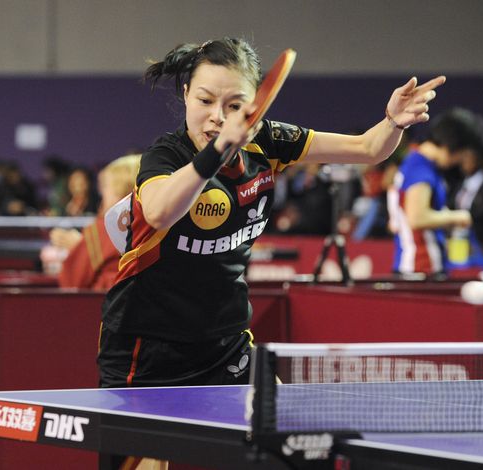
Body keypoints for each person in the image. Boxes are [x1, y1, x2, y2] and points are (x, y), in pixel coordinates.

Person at [98, 37, 445, 390]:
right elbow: (158, 212)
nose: (218, 117)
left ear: (256, 109)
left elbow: (367, 148)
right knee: (152, 448)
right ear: (186, 94)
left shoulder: (268, 141)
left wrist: (393, 123)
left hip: (226, 343)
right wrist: (218, 150)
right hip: (146, 347)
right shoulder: (165, 156)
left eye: (236, 106)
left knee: (277, 433)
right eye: (205, 100)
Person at [386, 108, 483, 276]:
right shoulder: (421, 169)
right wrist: (458, 216)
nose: (460, 162)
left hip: (415, 266)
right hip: (421, 268)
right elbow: (417, 218)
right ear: (452, 146)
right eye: (462, 155)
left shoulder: (416, 163)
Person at [49, 154, 140, 289]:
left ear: (122, 190)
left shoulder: (105, 229)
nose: (101, 194)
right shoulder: (163, 224)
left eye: (104, 187)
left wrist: (80, 246)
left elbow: (71, 283)